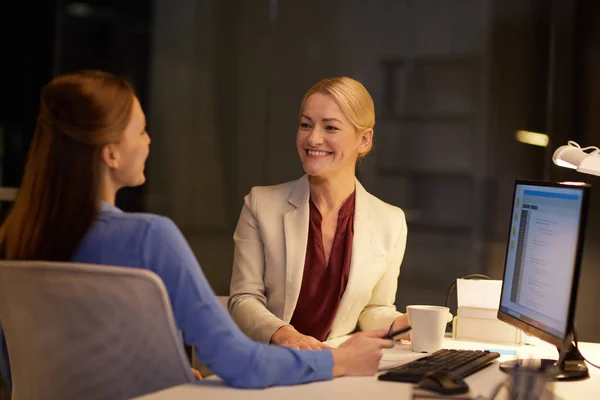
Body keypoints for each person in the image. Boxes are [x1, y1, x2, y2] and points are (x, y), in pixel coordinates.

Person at [0, 70, 394, 392]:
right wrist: (337, 360)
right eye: (141, 130)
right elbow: (238, 361)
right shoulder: (150, 237)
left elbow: (16, 361)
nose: (150, 141)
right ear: (111, 153)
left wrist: (162, 376)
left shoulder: (14, 237)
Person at [229, 77, 409, 350]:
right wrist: (287, 336)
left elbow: (373, 308)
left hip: (336, 368)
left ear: (364, 139)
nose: (313, 138)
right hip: (269, 362)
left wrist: (401, 323)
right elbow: (243, 299)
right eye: (305, 124)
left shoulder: (391, 221)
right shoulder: (260, 205)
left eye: (330, 127)